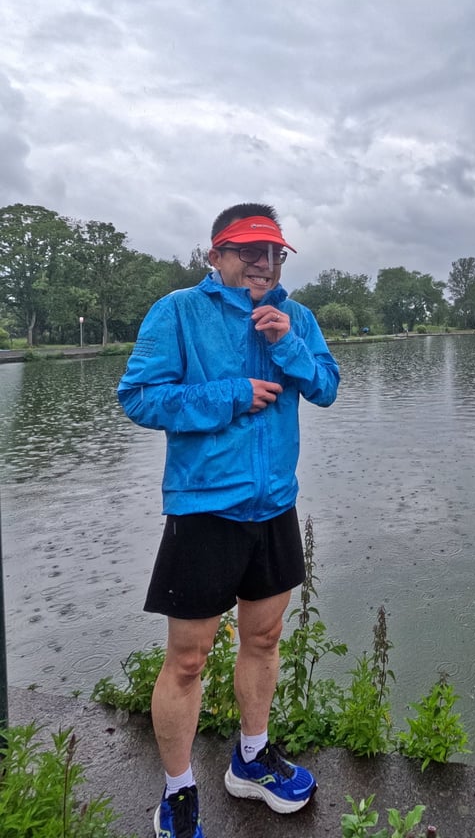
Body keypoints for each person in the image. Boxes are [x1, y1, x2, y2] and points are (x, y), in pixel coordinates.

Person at [118, 203, 340, 838]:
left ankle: (251, 759)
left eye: (273, 252)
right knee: (187, 661)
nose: (262, 263)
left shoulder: (297, 318)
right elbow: (137, 395)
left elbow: (326, 386)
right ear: (215, 255)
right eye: (248, 250)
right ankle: (179, 791)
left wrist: (286, 345)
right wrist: (231, 394)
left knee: (265, 640)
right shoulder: (179, 313)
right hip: (205, 508)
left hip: (274, 506)